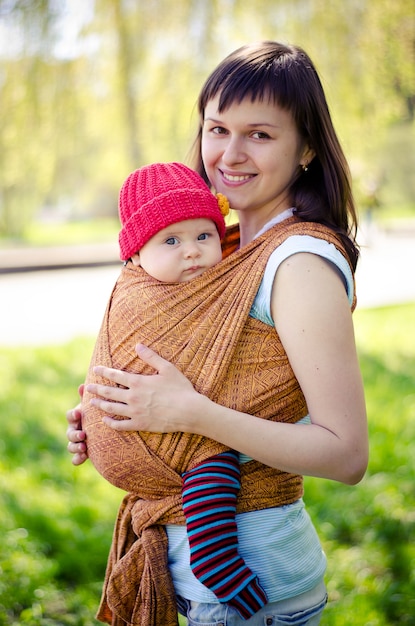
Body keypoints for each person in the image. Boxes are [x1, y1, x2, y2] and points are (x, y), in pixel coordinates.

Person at [67, 41, 368, 626]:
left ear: (306, 146)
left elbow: (347, 453)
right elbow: (188, 364)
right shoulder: (215, 247)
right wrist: (111, 413)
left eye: (260, 134)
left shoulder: (297, 260)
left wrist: (188, 414)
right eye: (217, 128)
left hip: (250, 585)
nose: (230, 153)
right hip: (186, 574)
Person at [82, 161, 268, 620]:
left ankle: (210, 551)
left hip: (167, 420)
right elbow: (119, 354)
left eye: (204, 236)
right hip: (165, 433)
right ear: (136, 255)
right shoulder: (138, 293)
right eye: (171, 240)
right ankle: (215, 557)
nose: (192, 252)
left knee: (214, 459)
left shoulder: (208, 283)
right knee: (213, 456)